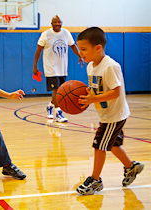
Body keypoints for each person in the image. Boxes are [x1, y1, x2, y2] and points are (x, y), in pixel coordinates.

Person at [76, 27, 144, 195]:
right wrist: (87, 98)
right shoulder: (91, 66)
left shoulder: (110, 66)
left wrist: (93, 99)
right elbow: (96, 89)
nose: (81, 53)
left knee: (99, 144)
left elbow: (116, 92)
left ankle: (95, 180)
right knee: (112, 144)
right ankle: (131, 167)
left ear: (98, 47)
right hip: (107, 113)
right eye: (80, 50)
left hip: (115, 115)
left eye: (84, 49)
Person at [33, 15, 84, 122]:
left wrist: (80, 55)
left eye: (59, 22)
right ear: (51, 24)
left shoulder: (66, 33)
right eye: (55, 22)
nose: (57, 24)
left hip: (62, 68)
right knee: (56, 90)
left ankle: (50, 107)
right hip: (50, 67)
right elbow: (38, 51)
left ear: (62, 23)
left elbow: (73, 46)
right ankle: (58, 113)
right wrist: (35, 66)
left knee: (59, 91)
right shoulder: (46, 34)